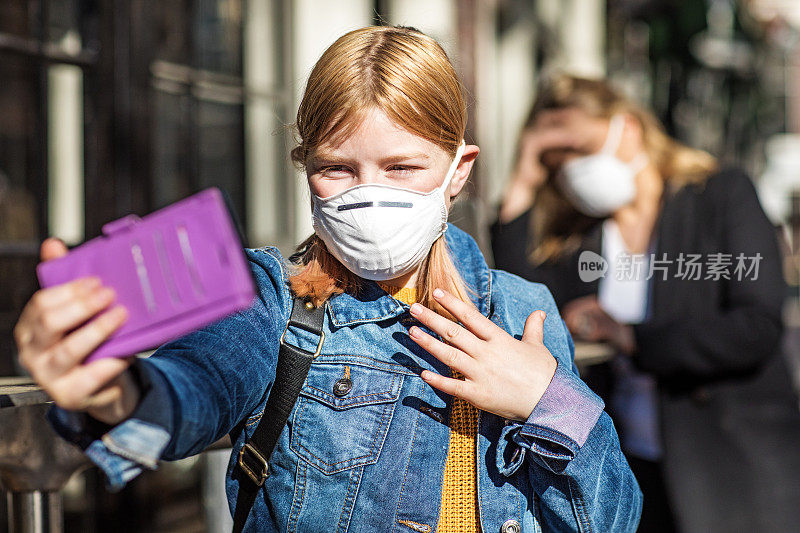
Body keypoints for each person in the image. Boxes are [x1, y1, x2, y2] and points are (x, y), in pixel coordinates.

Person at [14, 28, 641, 532]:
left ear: (458, 169)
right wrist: (111, 393)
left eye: (402, 167)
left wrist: (549, 402)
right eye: (337, 169)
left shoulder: (522, 310)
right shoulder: (273, 298)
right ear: (304, 169)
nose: (370, 194)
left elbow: (611, 519)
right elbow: (194, 388)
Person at [491, 74, 800, 533]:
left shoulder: (718, 195)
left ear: (628, 129)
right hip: (627, 471)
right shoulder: (580, 235)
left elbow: (755, 326)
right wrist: (523, 175)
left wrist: (631, 337)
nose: (571, 166)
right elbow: (521, 302)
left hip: (730, 468)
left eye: (580, 147)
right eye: (555, 159)